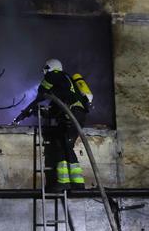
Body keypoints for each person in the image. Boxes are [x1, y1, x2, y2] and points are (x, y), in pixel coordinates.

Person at [14, 58, 93, 190]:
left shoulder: (56, 74)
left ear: (51, 68)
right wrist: (36, 111)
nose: (45, 73)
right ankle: (66, 182)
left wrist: (40, 95)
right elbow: (54, 110)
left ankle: (75, 184)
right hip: (74, 114)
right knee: (62, 145)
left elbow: (43, 88)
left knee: (66, 145)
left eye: (46, 70)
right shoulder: (63, 87)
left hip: (72, 113)